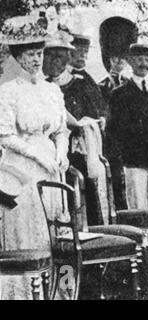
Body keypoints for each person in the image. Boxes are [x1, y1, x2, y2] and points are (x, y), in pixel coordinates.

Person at [0, 15, 69, 299]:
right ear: (18, 56)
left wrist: (62, 153)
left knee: (56, 229)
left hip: (52, 165)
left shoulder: (52, 90)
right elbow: (5, 137)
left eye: (39, 53)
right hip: (21, 169)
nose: (36, 59)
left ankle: (58, 291)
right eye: (30, 54)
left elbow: (62, 129)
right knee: (30, 229)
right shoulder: (7, 91)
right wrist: (39, 158)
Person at [43, 29, 106, 226]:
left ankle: (89, 230)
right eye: (53, 57)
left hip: (76, 146)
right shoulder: (43, 86)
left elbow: (96, 112)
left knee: (83, 183)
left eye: (62, 58)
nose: (58, 63)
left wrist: (84, 125)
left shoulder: (80, 83)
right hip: (49, 145)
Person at [107, 44, 148, 211]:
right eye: (139, 59)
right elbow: (115, 127)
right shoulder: (119, 94)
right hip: (133, 157)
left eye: (147, 60)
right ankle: (141, 237)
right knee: (137, 204)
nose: (144, 64)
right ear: (130, 62)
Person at [98, 16, 138, 211]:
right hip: (112, 143)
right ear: (108, 58)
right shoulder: (100, 87)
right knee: (116, 184)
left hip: (133, 140)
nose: (119, 61)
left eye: (123, 57)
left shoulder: (134, 85)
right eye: (115, 57)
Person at [70, 33, 109, 120]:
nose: (83, 55)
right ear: (69, 51)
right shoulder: (64, 77)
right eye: (79, 50)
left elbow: (100, 106)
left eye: (86, 51)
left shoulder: (89, 79)